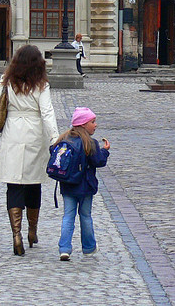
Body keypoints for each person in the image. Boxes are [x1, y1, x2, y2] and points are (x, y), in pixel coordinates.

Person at [0, 45, 59, 256]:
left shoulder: (8, 80)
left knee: (14, 183)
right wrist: (55, 138)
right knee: (33, 182)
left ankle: (16, 234)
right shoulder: (41, 84)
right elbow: (47, 113)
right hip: (34, 134)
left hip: (12, 133)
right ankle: (32, 231)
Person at [56, 107, 110, 261]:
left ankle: (64, 248)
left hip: (67, 185)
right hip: (85, 186)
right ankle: (88, 247)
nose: (95, 125)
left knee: (68, 216)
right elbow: (98, 161)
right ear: (83, 125)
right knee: (85, 216)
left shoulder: (64, 139)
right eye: (92, 122)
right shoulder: (90, 143)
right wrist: (105, 151)